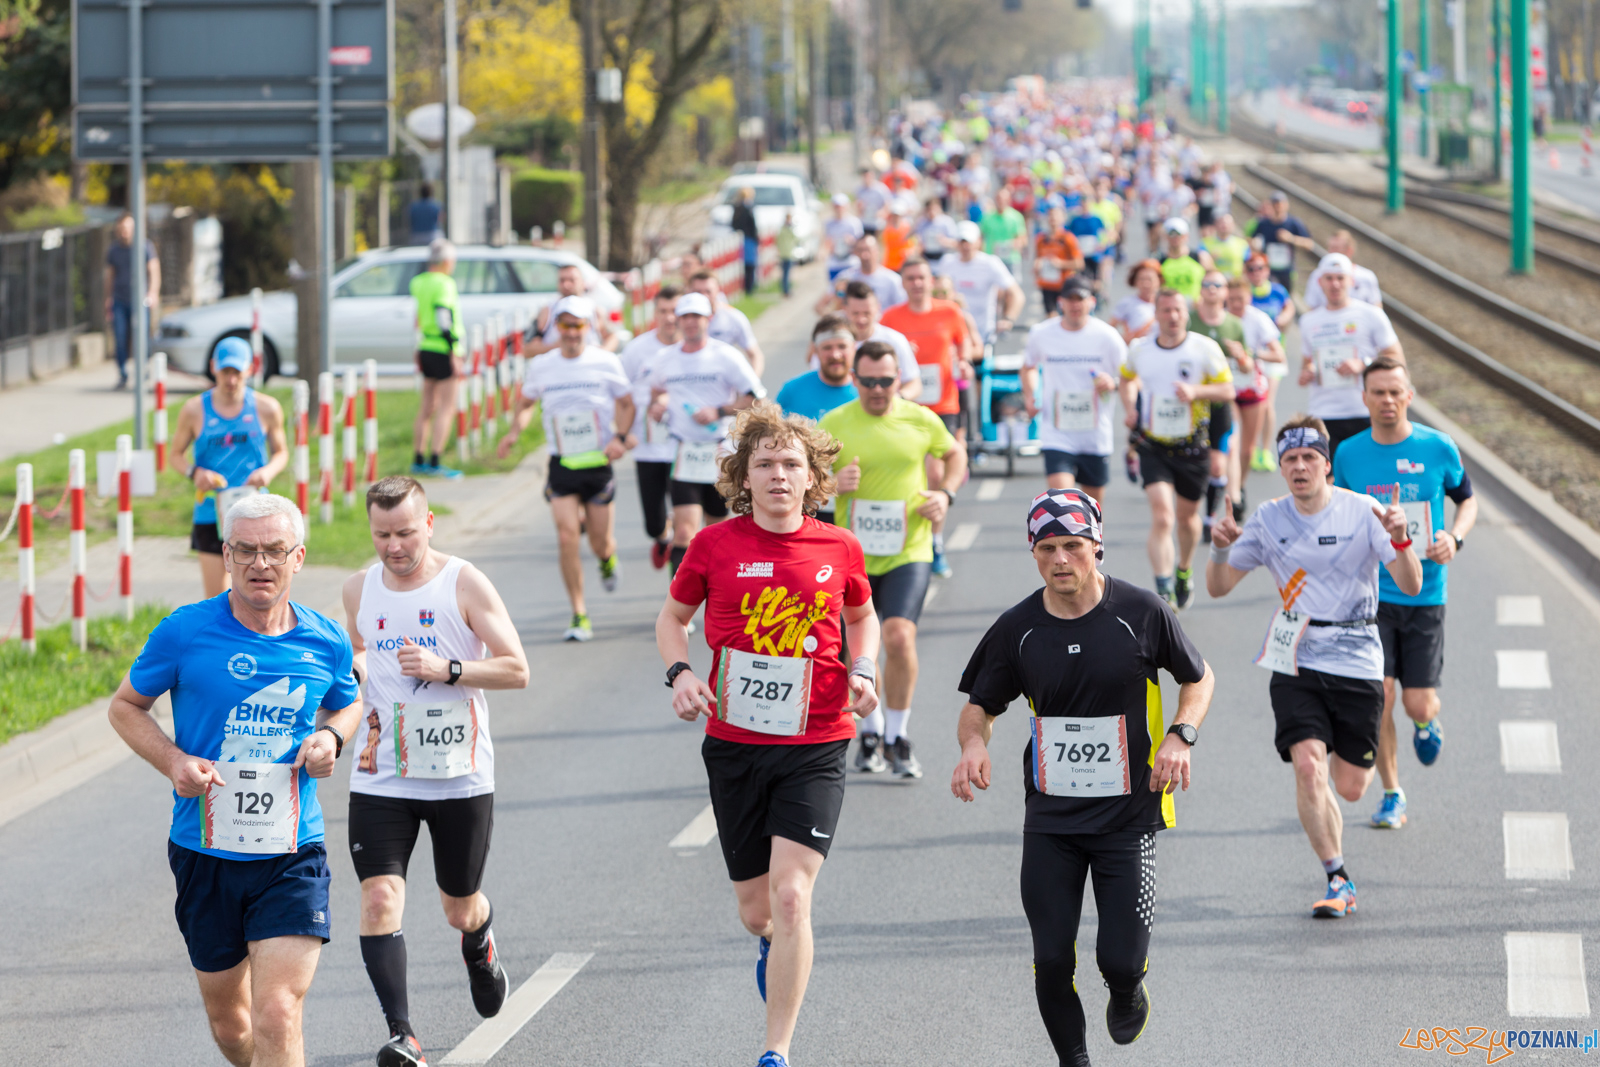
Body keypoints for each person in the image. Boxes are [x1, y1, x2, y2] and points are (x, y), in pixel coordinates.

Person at [953, 488, 1214, 1067]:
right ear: (1034, 553)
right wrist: (973, 745)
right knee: (1051, 960)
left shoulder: (1141, 612)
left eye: (1073, 545)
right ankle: (1074, 1061)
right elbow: (980, 707)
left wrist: (1182, 735)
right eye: (1048, 548)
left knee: (1119, 961)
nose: (1061, 559)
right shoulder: (1017, 628)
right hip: (1050, 818)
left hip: (1129, 816)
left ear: (1097, 546)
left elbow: (1199, 678)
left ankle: (1127, 990)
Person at [658, 404, 881, 1067]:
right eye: (766, 464)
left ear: (813, 476)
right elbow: (673, 617)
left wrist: (864, 667)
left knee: (792, 895)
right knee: (758, 910)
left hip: (817, 740)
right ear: (742, 476)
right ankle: (770, 942)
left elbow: (863, 615)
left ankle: (775, 1050)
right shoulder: (714, 546)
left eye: (792, 464)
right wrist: (680, 673)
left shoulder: (838, 545)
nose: (780, 475)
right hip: (735, 742)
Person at [107, 493, 361, 1067]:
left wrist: (333, 739)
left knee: (277, 1012)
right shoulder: (184, 632)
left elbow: (347, 702)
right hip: (204, 849)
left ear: (298, 557)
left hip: (292, 850)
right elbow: (125, 706)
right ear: (225, 554)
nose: (260, 564)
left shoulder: (324, 638)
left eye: (274, 550)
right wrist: (174, 761)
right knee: (232, 1025)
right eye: (245, 550)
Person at [343, 476, 531, 1066]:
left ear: (428, 524)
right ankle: (404, 1035)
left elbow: (516, 669)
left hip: (457, 773)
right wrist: (352, 670)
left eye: (404, 532)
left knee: (459, 903)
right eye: (381, 535)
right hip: (381, 773)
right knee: (378, 900)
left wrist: (447, 667)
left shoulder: (463, 582)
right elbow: (358, 656)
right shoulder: (357, 589)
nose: (393, 546)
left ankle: (478, 942)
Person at [1206, 417, 1423, 919]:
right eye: (1289, 460)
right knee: (1308, 767)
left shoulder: (1364, 510)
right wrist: (1219, 547)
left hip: (1357, 655)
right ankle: (1337, 875)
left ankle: (1342, 807)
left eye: (1309, 458)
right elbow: (1218, 587)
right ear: (1281, 467)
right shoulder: (1267, 519)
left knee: (1349, 787)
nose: (1300, 467)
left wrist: (1402, 538)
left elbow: (1410, 586)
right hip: (1297, 655)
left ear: (1327, 464)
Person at [1332, 359, 1477, 830]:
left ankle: (1426, 721)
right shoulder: (1350, 454)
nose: (1388, 400)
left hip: (1426, 593)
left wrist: (1454, 538)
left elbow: (1468, 499)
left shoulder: (1437, 447)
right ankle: (1393, 793)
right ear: (1365, 398)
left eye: (1396, 392)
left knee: (1416, 702)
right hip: (1373, 598)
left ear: (1409, 395)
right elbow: (1336, 515)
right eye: (1378, 393)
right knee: (1383, 695)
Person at [821, 341, 968, 778]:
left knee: (899, 636)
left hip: (909, 549)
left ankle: (897, 737)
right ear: (854, 379)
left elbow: (954, 453)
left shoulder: (919, 417)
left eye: (886, 381)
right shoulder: (834, 423)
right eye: (868, 381)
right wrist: (831, 483)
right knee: (856, 647)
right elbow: (803, 477)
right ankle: (872, 729)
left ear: (898, 378)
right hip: (853, 554)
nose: (878, 389)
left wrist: (945, 494)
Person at [499, 295, 635, 642]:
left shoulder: (605, 361)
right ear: (556, 328)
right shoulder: (543, 365)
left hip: (597, 462)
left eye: (578, 325)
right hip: (562, 463)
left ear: (588, 327)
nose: (571, 332)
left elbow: (626, 402)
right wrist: (514, 433)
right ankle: (579, 613)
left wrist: (620, 437)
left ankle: (607, 559)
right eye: (565, 325)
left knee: (601, 541)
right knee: (566, 535)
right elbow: (527, 402)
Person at [1117, 289, 1235, 609]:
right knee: (1163, 516)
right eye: (1166, 310)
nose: (1172, 316)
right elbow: (1125, 379)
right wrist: (1130, 407)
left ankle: (1184, 568)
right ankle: (1163, 585)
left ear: (1187, 313)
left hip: (1192, 446)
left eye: (1178, 310)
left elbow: (1227, 390)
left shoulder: (1204, 349)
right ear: (1156, 314)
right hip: (1153, 444)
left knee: (1187, 519)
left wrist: (1195, 390)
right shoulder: (1140, 350)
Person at [646, 292, 766, 575]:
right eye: (685, 317)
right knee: (684, 531)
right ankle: (680, 610)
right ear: (678, 320)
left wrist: (719, 410)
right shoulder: (665, 358)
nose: (690, 323)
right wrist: (659, 406)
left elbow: (755, 398)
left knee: (718, 531)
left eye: (696, 317)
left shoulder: (725, 355)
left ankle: (718, 597)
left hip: (719, 451)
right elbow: (656, 392)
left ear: (708, 319)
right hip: (683, 451)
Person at [169, 337, 290, 599]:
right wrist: (195, 473)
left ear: (250, 369)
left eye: (237, 372)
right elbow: (175, 455)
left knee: (258, 595)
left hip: (255, 511)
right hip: (211, 512)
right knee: (217, 600)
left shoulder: (267, 408)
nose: (231, 380)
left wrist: (267, 472)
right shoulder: (193, 410)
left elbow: (281, 452)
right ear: (214, 367)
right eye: (225, 372)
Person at [880, 258, 973, 579]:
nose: (917, 283)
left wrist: (965, 364)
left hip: (943, 403)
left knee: (934, 475)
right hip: (906, 405)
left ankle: (934, 541)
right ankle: (906, 537)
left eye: (922, 277)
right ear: (902, 283)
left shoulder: (949, 312)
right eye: (910, 278)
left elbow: (967, 347)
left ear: (931, 281)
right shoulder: (891, 318)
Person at [1020, 277, 1127, 504]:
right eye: (1070, 299)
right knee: (1063, 502)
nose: (1075, 305)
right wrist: (1031, 396)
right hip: (1057, 432)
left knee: (1091, 508)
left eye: (1080, 299)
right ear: (1060, 302)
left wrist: (1113, 382)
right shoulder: (1042, 333)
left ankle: (1094, 541)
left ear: (1092, 302)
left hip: (1095, 434)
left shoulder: (1107, 337)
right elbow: (1028, 366)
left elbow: (1129, 376)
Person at [1296, 253, 1404, 456]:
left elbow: (1396, 357)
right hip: (1323, 412)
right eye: (1329, 278)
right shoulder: (1308, 321)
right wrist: (1307, 373)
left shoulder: (1371, 314)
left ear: (1351, 281)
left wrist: (1363, 363)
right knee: (1327, 481)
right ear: (1320, 282)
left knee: (1366, 479)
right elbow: (1307, 363)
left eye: (1340, 278)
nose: (1335, 284)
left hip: (1364, 410)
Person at [618, 286, 684, 570]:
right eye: (663, 311)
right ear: (654, 313)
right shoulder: (637, 350)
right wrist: (623, 433)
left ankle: (679, 594)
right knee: (654, 523)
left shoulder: (697, 349)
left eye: (675, 312)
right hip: (647, 446)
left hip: (686, 448)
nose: (670, 318)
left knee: (687, 526)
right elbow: (619, 396)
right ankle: (662, 536)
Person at [1187, 270, 1249, 538]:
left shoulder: (1234, 325)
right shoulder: (1189, 320)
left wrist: (1241, 355)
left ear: (1225, 292)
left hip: (1221, 403)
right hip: (1191, 402)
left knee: (1217, 465)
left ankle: (1210, 516)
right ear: (1200, 290)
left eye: (1218, 285)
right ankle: (1190, 506)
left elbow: (1247, 365)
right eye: (1207, 284)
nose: (1212, 289)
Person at [408, 239, 466, 479]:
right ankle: (435, 459)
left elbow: (418, 317)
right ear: (445, 261)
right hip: (443, 347)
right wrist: (453, 350)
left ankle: (418, 458)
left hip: (425, 345)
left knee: (426, 406)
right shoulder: (445, 283)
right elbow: (444, 316)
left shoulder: (418, 282)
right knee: (446, 406)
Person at [1224, 276, 1285, 501]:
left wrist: (1252, 354)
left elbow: (1279, 355)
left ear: (1249, 298)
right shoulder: (1221, 319)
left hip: (1252, 387)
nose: (1236, 304)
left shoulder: (1258, 319)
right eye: (1231, 299)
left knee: (1248, 450)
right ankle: (1231, 490)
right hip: (1227, 388)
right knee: (1232, 439)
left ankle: (1239, 486)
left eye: (1240, 299)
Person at [938, 220, 1025, 341]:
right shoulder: (947, 262)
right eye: (962, 241)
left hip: (983, 334)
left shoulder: (990, 263)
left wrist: (1008, 319)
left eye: (969, 242)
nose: (965, 246)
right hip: (952, 333)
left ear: (978, 241)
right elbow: (935, 293)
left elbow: (1017, 294)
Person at [104, 211, 160, 390]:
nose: (124, 232)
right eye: (121, 228)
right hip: (120, 301)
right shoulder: (113, 250)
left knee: (142, 337)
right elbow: (110, 276)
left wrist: (153, 292)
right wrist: (108, 299)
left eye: (127, 228)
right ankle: (122, 373)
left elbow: (154, 270)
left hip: (139, 301)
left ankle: (143, 371)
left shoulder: (144, 246)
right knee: (120, 338)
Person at [841, 280, 921, 401]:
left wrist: (895, 399)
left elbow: (914, 383)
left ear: (878, 308)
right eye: (855, 313)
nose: (861, 319)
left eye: (867, 313)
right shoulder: (835, 345)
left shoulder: (895, 340)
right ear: (845, 309)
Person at [525, 263, 617, 356]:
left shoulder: (594, 310)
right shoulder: (548, 311)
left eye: (572, 280)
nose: (566, 284)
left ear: (582, 282)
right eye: (562, 280)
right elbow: (527, 349)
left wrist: (602, 354)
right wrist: (560, 348)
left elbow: (612, 337)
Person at [689, 270, 767, 378]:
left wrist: (752, 387)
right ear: (689, 291)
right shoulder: (678, 320)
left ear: (718, 290)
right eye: (698, 292)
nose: (704, 296)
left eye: (708, 291)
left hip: (724, 383)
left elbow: (755, 354)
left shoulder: (733, 317)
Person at [816, 234, 906, 314]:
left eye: (868, 250)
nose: (864, 255)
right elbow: (820, 306)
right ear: (855, 252)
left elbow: (903, 310)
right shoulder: (846, 277)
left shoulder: (893, 280)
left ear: (877, 251)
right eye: (860, 250)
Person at [1250, 190, 1314, 294]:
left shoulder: (1293, 223)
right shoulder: (1263, 223)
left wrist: (1291, 239)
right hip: (1267, 270)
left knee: (1285, 296)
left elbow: (1309, 244)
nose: (1277, 207)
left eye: (1280, 204)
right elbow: (1251, 240)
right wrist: (1254, 244)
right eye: (1274, 204)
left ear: (1286, 205)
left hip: (1286, 270)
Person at [1304, 230, 1383, 309]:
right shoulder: (1317, 275)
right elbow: (1312, 307)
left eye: (1335, 248)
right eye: (1330, 248)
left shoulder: (1367, 276)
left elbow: (1376, 306)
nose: (1331, 252)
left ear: (1349, 250)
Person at [1033, 207, 1085, 318]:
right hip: (1047, 284)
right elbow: (1037, 259)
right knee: (1051, 317)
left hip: (1065, 285)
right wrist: (1037, 268)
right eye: (1051, 216)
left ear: (1062, 219)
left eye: (1056, 216)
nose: (1053, 219)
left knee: (1066, 317)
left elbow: (1079, 263)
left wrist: (1060, 264)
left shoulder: (1068, 238)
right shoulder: (1041, 239)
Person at [1155, 218, 1209, 304]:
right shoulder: (1159, 262)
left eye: (1179, 234)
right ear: (1166, 236)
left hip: (1196, 309)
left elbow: (1213, 280)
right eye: (1171, 234)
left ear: (1186, 236)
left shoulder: (1201, 257)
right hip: (1170, 309)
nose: (1175, 238)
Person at [1110, 259, 1161, 346]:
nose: (1146, 284)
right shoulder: (1127, 303)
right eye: (1142, 279)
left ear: (1158, 281)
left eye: (1150, 279)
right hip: (1136, 350)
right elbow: (1110, 328)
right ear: (1135, 281)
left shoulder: (1166, 303)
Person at [978, 194, 1028, 278]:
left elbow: (1022, 238)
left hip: (1011, 259)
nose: (1001, 202)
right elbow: (981, 237)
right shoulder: (987, 217)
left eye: (1004, 200)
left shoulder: (1016, 217)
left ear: (1008, 201)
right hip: (992, 258)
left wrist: (1009, 245)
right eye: (999, 199)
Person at [824, 194, 865, 281]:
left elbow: (861, 244)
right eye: (836, 206)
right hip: (834, 263)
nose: (839, 209)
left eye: (841, 206)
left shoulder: (854, 222)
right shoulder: (828, 223)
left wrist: (852, 242)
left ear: (847, 206)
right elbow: (826, 243)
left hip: (851, 262)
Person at [1200, 213, 1250, 279]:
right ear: (1216, 225)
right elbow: (1202, 265)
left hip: (1236, 283)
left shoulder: (1243, 244)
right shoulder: (1205, 243)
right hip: (1215, 283)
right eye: (1221, 223)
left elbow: (1248, 265)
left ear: (1233, 225)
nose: (1224, 225)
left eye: (1227, 223)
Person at [731, 187, 761, 296]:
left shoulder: (737, 207)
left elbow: (734, 224)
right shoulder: (747, 208)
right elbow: (752, 225)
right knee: (750, 264)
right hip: (748, 238)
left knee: (747, 265)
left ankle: (748, 286)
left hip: (743, 238)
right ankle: (749, 287)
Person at [776, 214, 798, 298]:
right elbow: (795, 238)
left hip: (784, 253)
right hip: (787, 253)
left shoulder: (782, 229)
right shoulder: (788, 229)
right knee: (786, 273)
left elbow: (777, 240)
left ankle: (785, 290)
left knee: (785, 273)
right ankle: (786, 290)